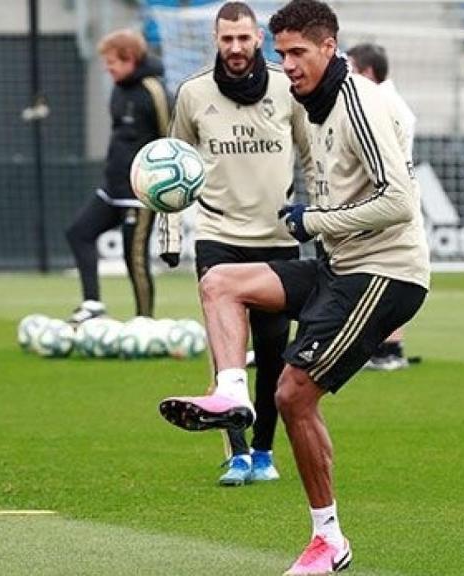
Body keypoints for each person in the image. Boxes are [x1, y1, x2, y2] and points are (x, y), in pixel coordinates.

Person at [158, 0, 429, 572]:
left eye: (298, 52)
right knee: (220, 283)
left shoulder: (358, 102)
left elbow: (401, 203)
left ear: (330, 47)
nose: (289, 64)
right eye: (281, 53)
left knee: (292, 394)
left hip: (384, 272)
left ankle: (328, 539)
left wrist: (314, 221)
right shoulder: (312, 104)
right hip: (339, 264)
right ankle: (231, 394)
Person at [156, 0, 314, 487]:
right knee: (227, 352)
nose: (236, 48)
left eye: (244, 38)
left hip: (276, 238)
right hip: (219, 236)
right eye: (227, 39)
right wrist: (170, 233)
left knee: (272, 353)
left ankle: (264, 451)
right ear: (216, 41)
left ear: (258, 39)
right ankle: (236, 454)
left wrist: (321, 222)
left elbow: (313, 158)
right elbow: (169, 164)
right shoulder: (192, 94)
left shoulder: (288, 89)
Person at [65, 29, 171, 324]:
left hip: (140, 194)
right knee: (78, 232)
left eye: (111, 62)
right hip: (112, 187)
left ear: (130, 59)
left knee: (134, 259)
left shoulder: (154, 91)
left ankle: (144, 321)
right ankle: (92, 304)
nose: (106, 67)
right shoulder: (118, 88)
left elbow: (170, 140)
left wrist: (160, 189)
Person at [347, 42, 417, 372]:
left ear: (367, 72)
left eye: (351, 68)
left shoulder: (382, 102)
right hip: (395, 195)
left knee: (386, 272)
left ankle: (389, 349)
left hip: (389, 198)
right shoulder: (393, 100)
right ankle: (384, 347)